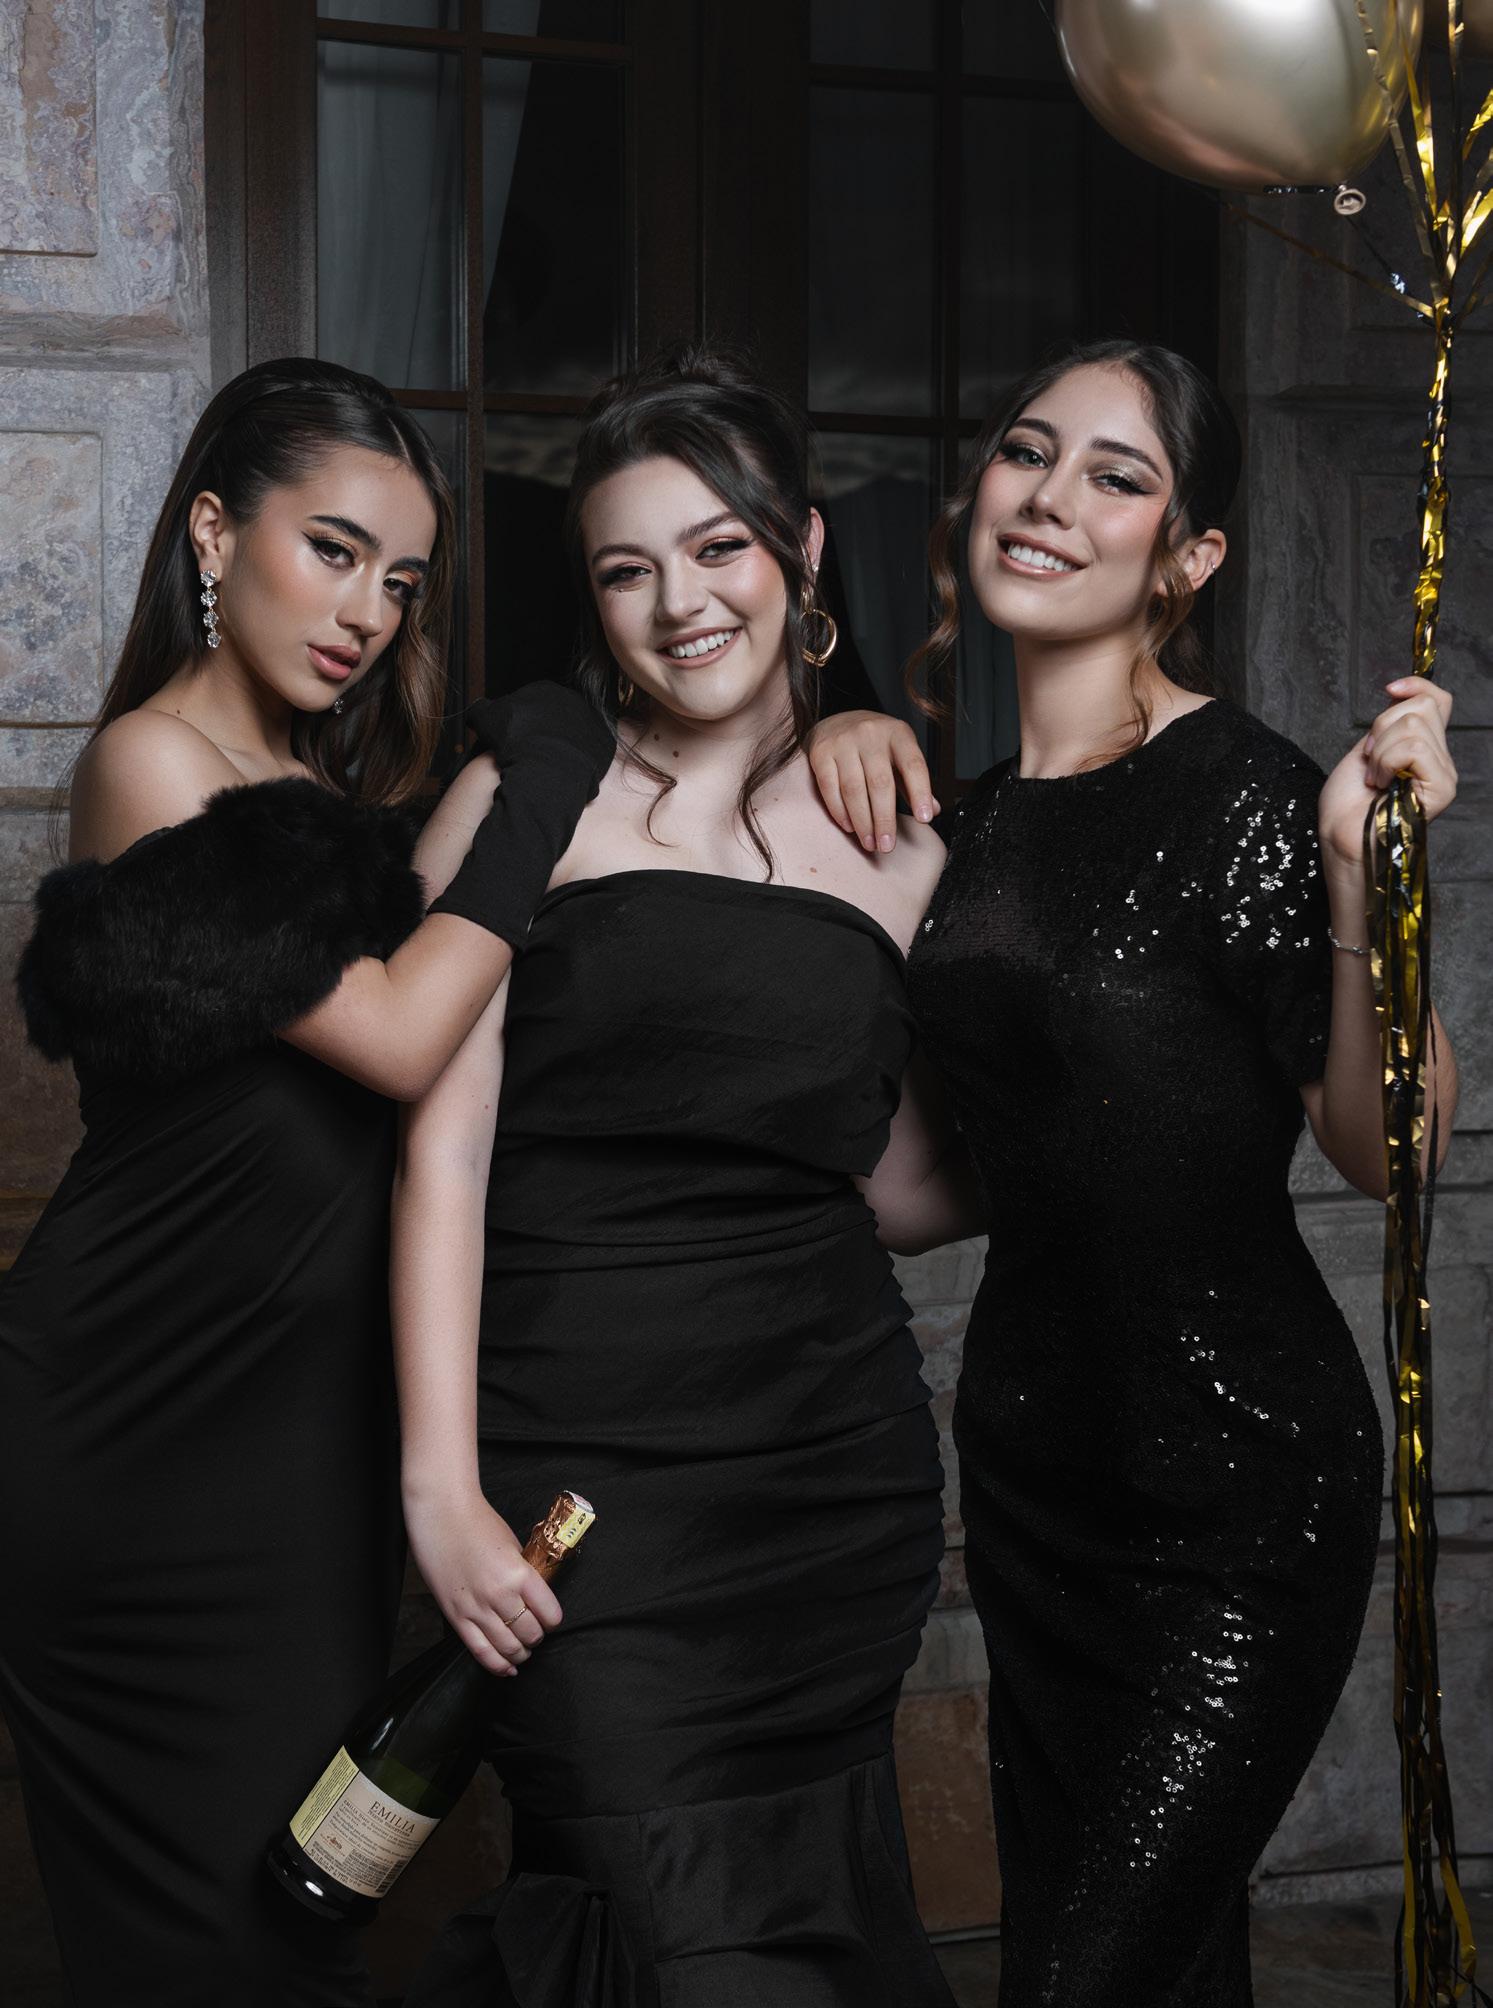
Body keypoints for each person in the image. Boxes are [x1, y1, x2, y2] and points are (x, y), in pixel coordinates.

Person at [805, 338, 1459, 2006]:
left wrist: (1357, 880)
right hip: (1037, 1483)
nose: (1048, 498)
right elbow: (929, 1190)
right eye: (1028, 452)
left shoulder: (1248, 797)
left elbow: (1388, 1153)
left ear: (1186, 556)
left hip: (1238, 1494)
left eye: (1115, 476)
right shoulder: (964, 831)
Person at [0, 357, 612, 2008]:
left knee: (296, 1934)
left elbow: (441, 1052)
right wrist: (549, 768)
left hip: (299, 1470)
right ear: (214, 531)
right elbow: (408, 1037)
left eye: (400, 582)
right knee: (205, 1958)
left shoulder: (334, 808)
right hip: (128, 1447)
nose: (364, 613)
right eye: (332, 551)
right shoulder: (151, 764)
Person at [395, 349, 981, 2007]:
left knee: (801, 1931)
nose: (680, 604)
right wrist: (441, 1491)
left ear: (802, 546)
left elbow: (892, 1187)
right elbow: (438, 1149)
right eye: (626, 569)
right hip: (575, 1484)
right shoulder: (528, 797)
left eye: (718, 547)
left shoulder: (903, 841)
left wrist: (1135, 1133)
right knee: (642, 1922)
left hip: (821, 1487)